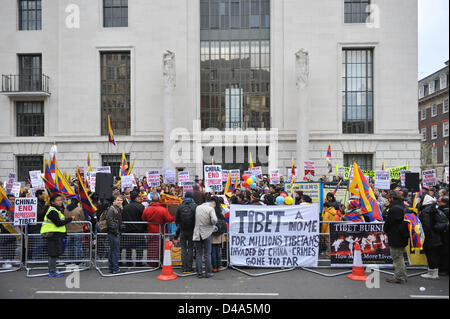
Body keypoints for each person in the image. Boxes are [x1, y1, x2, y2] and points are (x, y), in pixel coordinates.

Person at [40, 194, 75, 277]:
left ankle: (53, 269)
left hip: (56, 235)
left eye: (61, 200)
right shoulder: (52, 211)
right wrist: (70, 219)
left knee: (55, 254)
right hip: (52, 236)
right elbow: (59, 223)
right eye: (58, 200)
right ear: (53, 202)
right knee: (53, 254)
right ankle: (52, 271)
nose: (60, 202)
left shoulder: (57, 210)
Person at [383, 190, 409, 284]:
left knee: (397, 257)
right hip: (402, 236)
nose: (388, 200)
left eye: (388, 198)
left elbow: (389, 223)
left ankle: (400, 277)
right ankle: (402, 275)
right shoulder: (403, 206)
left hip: (396, 236)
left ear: (392, 198)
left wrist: (385, 229)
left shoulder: (394, 209)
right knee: (400, 256)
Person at [141, 194, 174, 266]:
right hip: (161, 231)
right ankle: (160, 262)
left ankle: (152, 263)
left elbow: (143, 218)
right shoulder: (163, 209)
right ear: (159, 200)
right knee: (160, 247)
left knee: (152, 247)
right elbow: (169, 219)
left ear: (152, 201)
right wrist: (174, 217)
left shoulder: (147, 209)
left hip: (151, 231)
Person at [418, 194, 443, 279]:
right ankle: (434, 272)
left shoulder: (425, 211)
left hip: (429, 236)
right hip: (435, 235)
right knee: (434, 254)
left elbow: (426, 226)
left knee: (430, 254)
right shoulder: (433, 209)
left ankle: (431, 273)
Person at [193, 197, 218, 278]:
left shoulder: (198, 207)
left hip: (197, 232)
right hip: (207, 232)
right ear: (212, 203)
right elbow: (214, 220)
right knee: (207, 254)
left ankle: (199, 273)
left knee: (198, 253)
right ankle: (208, 273)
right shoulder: (211, 209)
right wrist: (212, 224)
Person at [121, 190, 146, 267]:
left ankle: (129, 262)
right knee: (139, 248)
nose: (140, 198)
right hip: (139, 230)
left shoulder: (125, 207)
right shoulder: (141, 206)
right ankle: (139, 262)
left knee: (128, 247)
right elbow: (144, 218)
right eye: (138, 197)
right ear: (135, 198)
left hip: (128, 230)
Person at [174, 191, 197, 274]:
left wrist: (179, 227)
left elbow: (176, 219)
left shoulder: (180, 206)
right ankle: (190, 268)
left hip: (182, 230)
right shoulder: (194, 206)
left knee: (183, 249)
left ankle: (184, 268)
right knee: (190, 248)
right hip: (192, 230)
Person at [105, 194, 124, 274]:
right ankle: (115, 268)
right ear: (114, 201)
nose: (120, 201)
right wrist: (115, 231)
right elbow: (109, 221)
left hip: (114, 232)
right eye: (118, 200)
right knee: (114, 251)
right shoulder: (112, 209)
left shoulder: (117, 209)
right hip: (113, 233)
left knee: (113, 251)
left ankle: (112, 268)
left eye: (121, 200)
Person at [64, 198, 86, 263]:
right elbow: (83, 218)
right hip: (78, 230)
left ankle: (68, 260)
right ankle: (77, 260)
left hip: (68, 230)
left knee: (68, 246)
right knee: (77, 246)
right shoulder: (79, 209)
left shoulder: (65, 209)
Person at [211, 197, 226, 273]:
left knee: (213, 250)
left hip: (213, 232)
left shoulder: (211, 210)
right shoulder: (221, 210)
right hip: (220, 232)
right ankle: (218, 267)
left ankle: (214, 267)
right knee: (218, 250)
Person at [437, 196, 449, 276]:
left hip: (445, 234)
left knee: (444, 251)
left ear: (444, 202)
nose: (437, 203)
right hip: (445, 234)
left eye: (439, 201)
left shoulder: (443, 211)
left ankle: (444, 269)